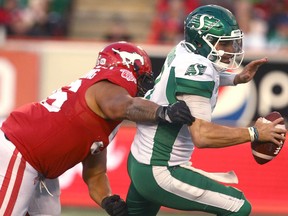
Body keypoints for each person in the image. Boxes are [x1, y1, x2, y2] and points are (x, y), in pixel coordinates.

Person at [126, 5, 287, 216]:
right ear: (201, 41)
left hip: (139, 160)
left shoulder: (183, 50)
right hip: (161, 169)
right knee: (238, 206)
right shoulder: (197, 69)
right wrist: (254, 133)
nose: (231, 49)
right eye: (224, 43)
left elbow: (199, 75)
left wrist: (235, 79)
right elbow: (202, 136)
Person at [0, 41, 194, 216]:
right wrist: (163, 112)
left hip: (37, 163)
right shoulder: (113, 82)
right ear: (128, 67)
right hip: (21, 151)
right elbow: (124, 106)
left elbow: (95, 174)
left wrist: (108, 200)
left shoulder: (98, 109)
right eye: (142, 77)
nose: (143, 86)